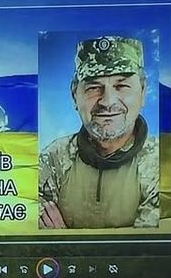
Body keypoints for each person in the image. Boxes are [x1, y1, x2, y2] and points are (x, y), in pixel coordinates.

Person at [37, 35, 162, 230]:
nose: (107, 101)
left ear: (143, 92)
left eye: (121, 86)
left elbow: (145, 250)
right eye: (94, 87)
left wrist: (65, 238)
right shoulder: (52, 158)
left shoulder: (162, 163)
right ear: (74, 95)